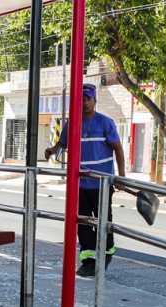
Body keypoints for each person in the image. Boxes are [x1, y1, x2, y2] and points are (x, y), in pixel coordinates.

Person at [44, 83, 126, 277]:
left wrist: (121, 176)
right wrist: (52, 151)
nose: (85, 103)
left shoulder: (106, 123)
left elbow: (118, 149)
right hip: (79, 184)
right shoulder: (72, 124)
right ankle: (88, 261)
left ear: (94, 100)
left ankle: (106, 254)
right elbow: (61, 144)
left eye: (88, 99)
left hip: (101, 184)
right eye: (81, 99)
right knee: (81, 222)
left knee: (103, 221)